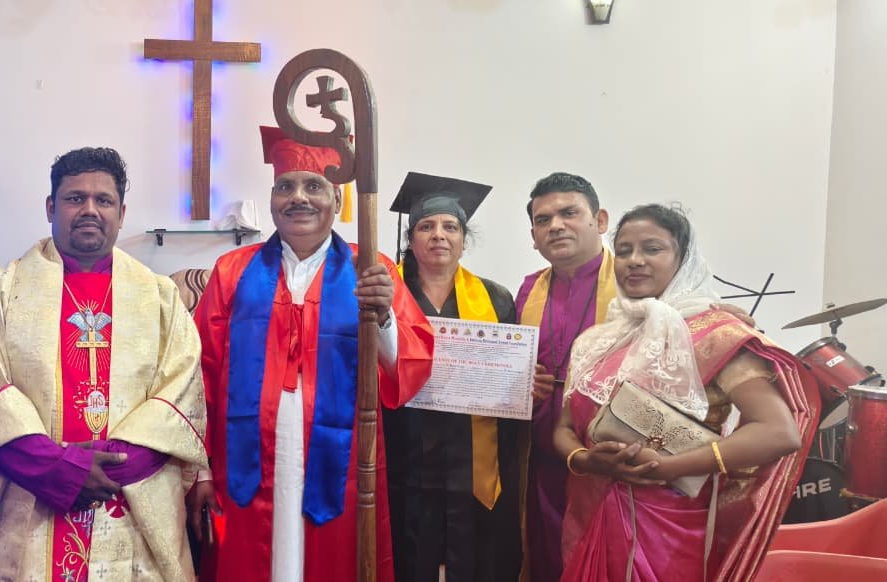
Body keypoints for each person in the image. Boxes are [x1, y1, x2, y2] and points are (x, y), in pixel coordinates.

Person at [0, 147, 208, 581]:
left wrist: (110, 469)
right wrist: (57, 469)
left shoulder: (160, 298)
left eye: (103, 200)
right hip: (30, 500)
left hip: (128, 506)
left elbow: (180, 396)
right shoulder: (0, 292)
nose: (90, 210)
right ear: (50, 207)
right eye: (75, 198)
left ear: (121, 214)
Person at [189, 126, 434, 581]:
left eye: (313, 186)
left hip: (340, 467)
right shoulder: (232, 272)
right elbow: (197, 376)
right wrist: (199, 471)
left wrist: (382, 316)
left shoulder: (369, 269)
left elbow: (410, 367)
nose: (298, 197)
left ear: (337, 200)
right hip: (244, 465)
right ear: (272, 199)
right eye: (285, 186)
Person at [553, 204, 817, 581]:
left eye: (652, 248)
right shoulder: (597, 341)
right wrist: (584, 460)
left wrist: (668, 468)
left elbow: (778, 433)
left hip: (672, 528)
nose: (635, 260)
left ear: (683, 259)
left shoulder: (716, 333)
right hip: (592, 509)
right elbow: (565, 427)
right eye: (624, 251)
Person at [382, 172, 526, 581]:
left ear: (464, 239)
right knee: (408, 547)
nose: (438, 235)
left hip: (471, 452)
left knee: (475, 555)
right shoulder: (387, 293)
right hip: (404, 442)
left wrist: (522, 380)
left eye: (450, 227)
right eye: (426, 226)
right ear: (411, 239)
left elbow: (507, 373)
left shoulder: (495, 297)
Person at [514, 172, 614, 582]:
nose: (555, 225)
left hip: (606, 458)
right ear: (533, 237)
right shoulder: (527, 291)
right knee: (545, 558)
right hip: (539, 459)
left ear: (600, 220)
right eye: (543, 219)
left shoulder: (635, 284)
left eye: (569, 213)